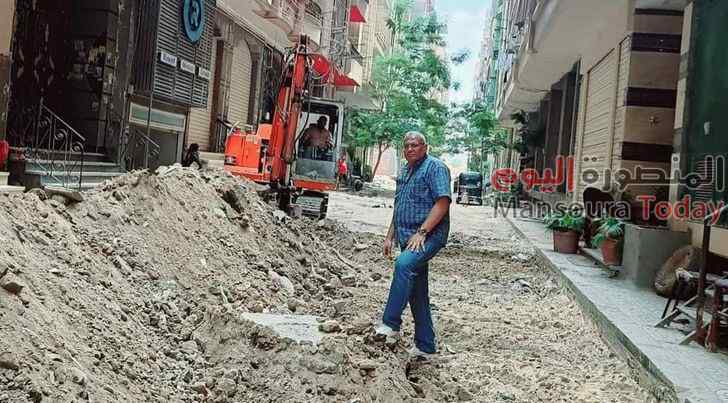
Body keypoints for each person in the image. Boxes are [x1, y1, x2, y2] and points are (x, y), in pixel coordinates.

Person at [375, 131, 452, 359]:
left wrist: (422, 232)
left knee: (403, 264)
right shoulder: (405, 170)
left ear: (425, 147)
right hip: (407, 236)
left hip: (428, 236)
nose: (410, 149)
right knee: (417, 291)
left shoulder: (435, 168)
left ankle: (390, 324)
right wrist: (390, 235)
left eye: (415, 145)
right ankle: (425, 346)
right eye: (406, 145)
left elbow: (442, 202)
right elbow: (399, 205)